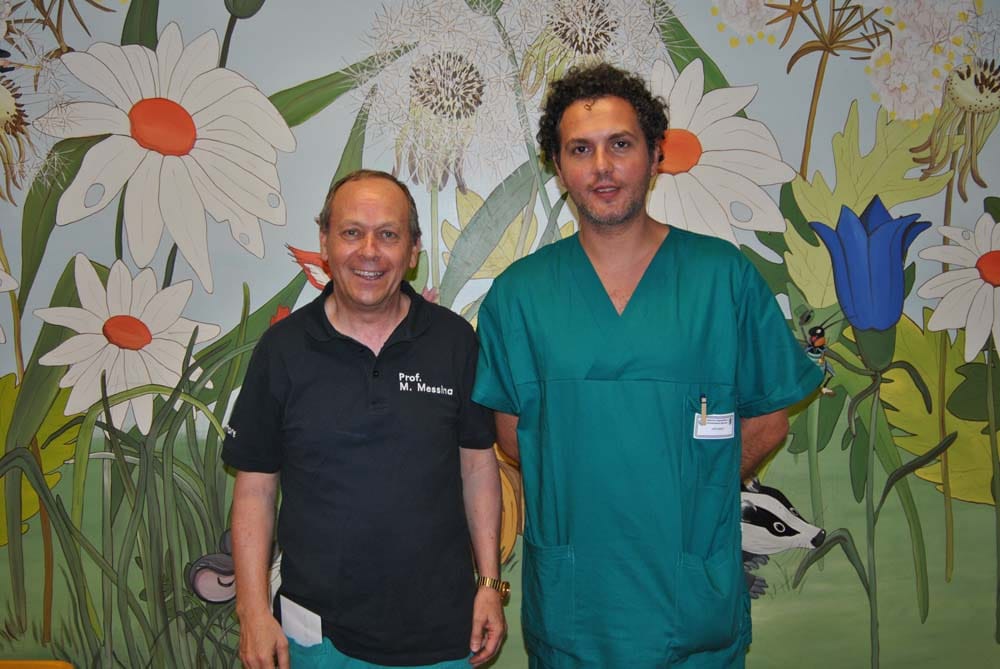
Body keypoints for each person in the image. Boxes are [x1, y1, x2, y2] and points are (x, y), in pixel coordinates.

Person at [472, 64, 823, 667]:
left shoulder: (722, 278)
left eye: (620, 144)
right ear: (558, 167)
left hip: (690, 602)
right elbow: (512, 437)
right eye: (580, 149)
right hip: (576, 606)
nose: (601, 167)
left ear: (656, 155)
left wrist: (691, 490)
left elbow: (768, 423)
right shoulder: (519, 295)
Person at [224, 169, 507, 669]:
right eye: (352, 232)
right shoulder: (283, 350)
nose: (369, 251)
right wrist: (252, 611)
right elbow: (255, 491)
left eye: (388, 235)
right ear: (325, 243)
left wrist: (488, 583)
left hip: (442, 635)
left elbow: (478, 467)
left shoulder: (454, 341)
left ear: (413, 250)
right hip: (317, 640)